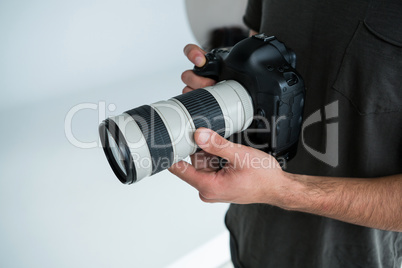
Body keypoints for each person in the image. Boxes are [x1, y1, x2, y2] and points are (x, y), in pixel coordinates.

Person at [169, 0, 402, 267]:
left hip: (350, 257)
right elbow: (255, 51)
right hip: (249, 238)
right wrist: (220, 98)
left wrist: (282, 191)